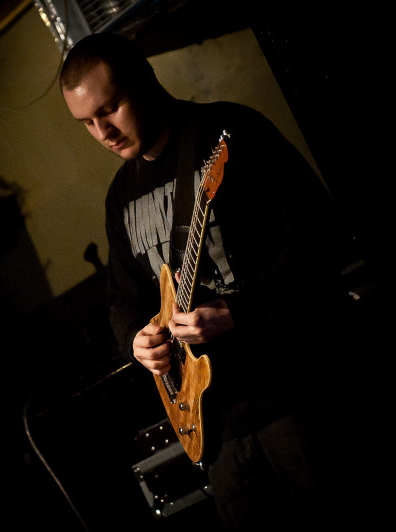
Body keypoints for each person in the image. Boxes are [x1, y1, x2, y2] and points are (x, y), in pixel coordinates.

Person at [59, 32, 357, 531]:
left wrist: (241, 311)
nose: (103, 132)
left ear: (145, 81)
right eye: (87, 122)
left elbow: (322, 237)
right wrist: (138, 342)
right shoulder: (119, 198)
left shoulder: (230, 133)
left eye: (110, 108)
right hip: (213, 429)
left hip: (297, 396)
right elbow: (122, 301)